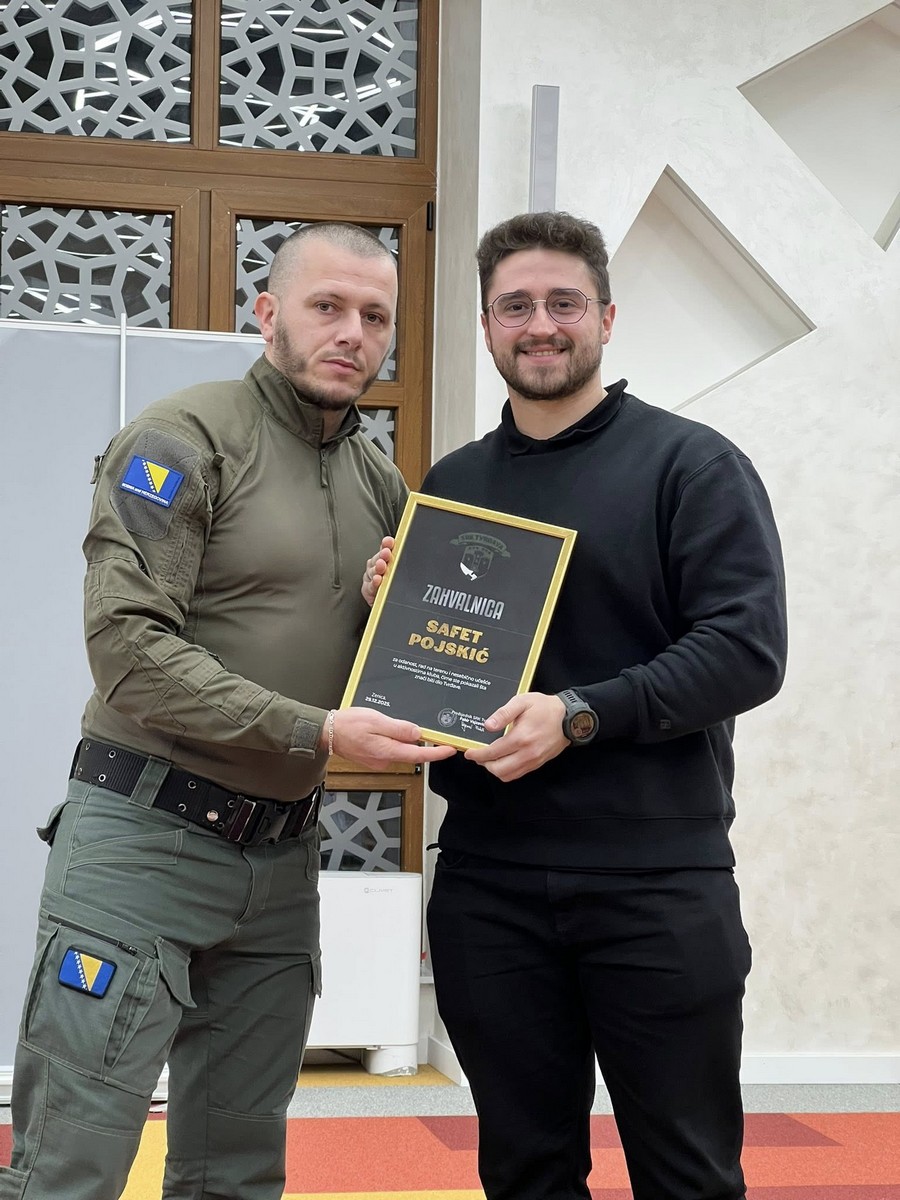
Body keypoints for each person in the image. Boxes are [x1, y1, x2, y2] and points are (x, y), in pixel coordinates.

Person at [1, 222, 454, 1200]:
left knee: (237, 1177)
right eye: (327, 306)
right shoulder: (182, 438)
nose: (352, 332)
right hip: (141, 843)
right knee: (69, 1170)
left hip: (280, 864)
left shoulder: (382, 484)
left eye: (375, 316)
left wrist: (389, 623)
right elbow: (129, 653)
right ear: (267, 312)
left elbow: (374, 680)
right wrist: (315, 730)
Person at [366, 210, 787, 1200]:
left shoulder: (692, 465)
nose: (541, 325)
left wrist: (581, 713)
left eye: (564, 303)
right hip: (488, 885)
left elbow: (746, 652)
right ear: (486, 325)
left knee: (687, 1176)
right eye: (515, 306)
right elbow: (439, 678)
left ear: (606, 316)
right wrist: (394, 607)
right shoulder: (455, 485)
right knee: (525, 1172)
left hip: (656, 883)